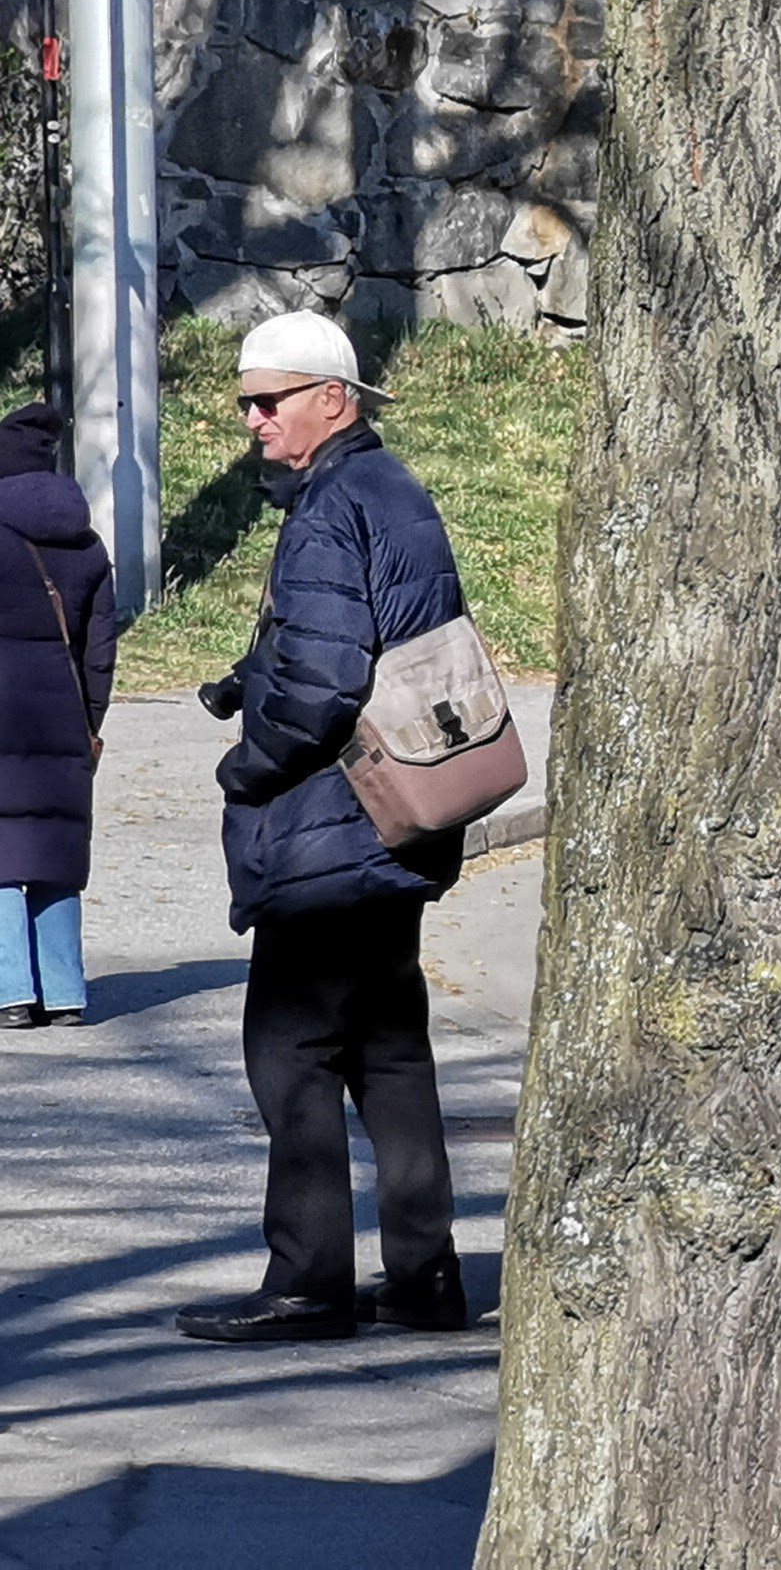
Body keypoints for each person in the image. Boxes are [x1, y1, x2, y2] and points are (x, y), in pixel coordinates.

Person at [177, 310, 473, 1345]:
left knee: (289, 1056)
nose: (251, 420)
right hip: (399, 823)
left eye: (270, 399)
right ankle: (424, 1276)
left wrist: (245, 764)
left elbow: (325, 679)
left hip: (329, 832)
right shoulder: (392, 493)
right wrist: (244, 682)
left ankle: (309, 1282)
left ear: (332, 399)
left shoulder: (328, 508)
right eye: (247, 401)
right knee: (389, 1054)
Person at [0, 402, 118, 1031]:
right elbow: (100, 649)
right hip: (66, 718)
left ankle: (11, 991)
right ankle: (66, 992)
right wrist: (90, 720)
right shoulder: (87, 543)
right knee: (54, 848)